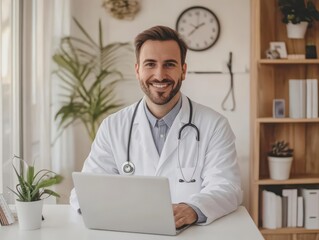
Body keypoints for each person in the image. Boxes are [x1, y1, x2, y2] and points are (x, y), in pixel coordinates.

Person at [70, 25, 242, 228]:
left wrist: (192, 209)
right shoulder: (113, 126)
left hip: (191, 234)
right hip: (130, 233)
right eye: (150, 64)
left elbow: (227, 187)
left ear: (183, 70)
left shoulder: (214, 125)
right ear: (137, 70)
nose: (159, 75)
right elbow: (85, 191)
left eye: (169, 64)